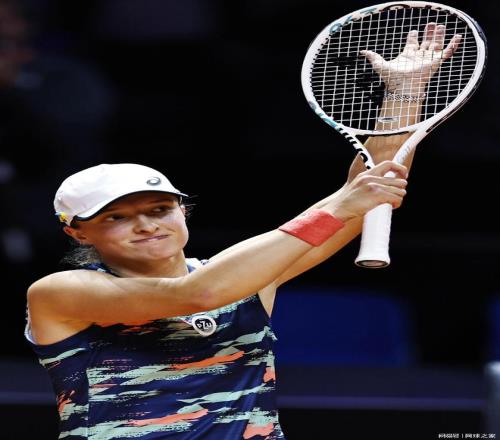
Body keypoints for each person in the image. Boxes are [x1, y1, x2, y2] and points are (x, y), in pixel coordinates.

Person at [25, 23, 457, 440]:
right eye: (116, 217)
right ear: (78, 234)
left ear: (183, 212)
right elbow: (197, 294)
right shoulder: (61, 293)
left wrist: (404, 93)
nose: (146, 224)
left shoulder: (249, 276)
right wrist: (341, 204)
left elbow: (363, 195)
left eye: (160, 209)